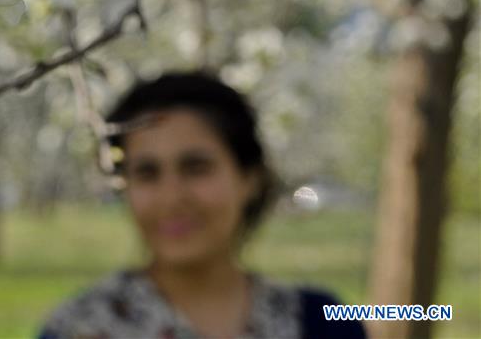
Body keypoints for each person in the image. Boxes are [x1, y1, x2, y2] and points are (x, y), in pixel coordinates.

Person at [37, 72, 367, 339]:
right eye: (147, 173)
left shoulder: (320, 323)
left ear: (249, 178)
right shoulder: (80, 328)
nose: (172, 198)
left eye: (196, 168)